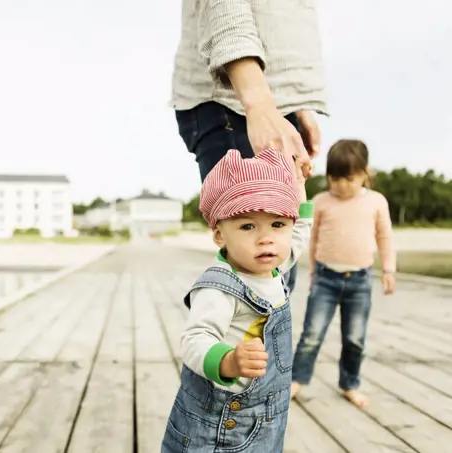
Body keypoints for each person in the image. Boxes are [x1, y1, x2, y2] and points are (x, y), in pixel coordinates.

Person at [161, 148, 313, 453]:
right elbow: (195, 339)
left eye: (277, 224)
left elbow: (299, 233)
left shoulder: (274, 267)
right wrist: (228, 360)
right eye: (248, 226)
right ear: (219, 235)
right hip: (221, 426)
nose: (266, 238)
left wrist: (299, 189)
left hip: (268, 417)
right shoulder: (221, 287)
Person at [171, 0, 328, 293]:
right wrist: (258, 103)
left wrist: (296, 106)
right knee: (257, 280)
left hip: (273, 100)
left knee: (275, 279)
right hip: (235, 98)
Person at [290, 139, 396, 408]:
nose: (341, 185)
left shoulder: (376, 202)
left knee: (355, 338)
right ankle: (297, 380)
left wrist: (388, 270)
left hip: (359, 280)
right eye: (334, 178)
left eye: (349, 178)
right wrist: (313, 271)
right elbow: (312, 240)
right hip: (325, 278)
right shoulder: (321, 201)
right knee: (312, 333)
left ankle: (349, 383)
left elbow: (385, 237)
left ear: (364, 174)